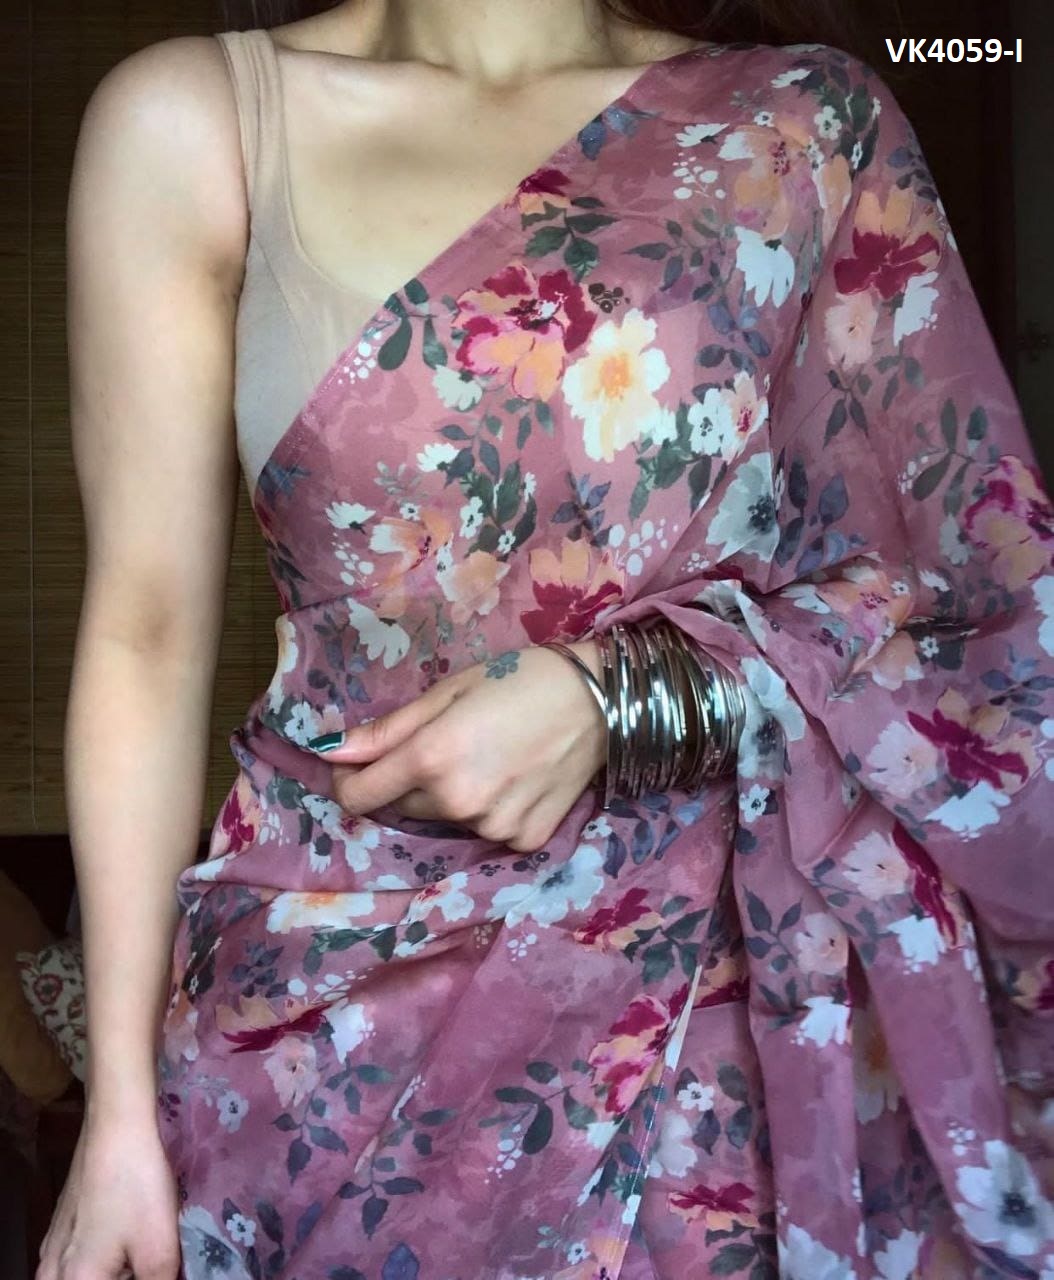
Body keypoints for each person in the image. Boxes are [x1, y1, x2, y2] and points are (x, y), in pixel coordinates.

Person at [42, 0, 1054, 1276]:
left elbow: (978, 600)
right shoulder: (201, 123)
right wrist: (117, 1114)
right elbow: (144, 632)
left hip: (725, 1025)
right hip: (320, 1036)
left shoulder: (803, 123)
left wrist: (626, 694)